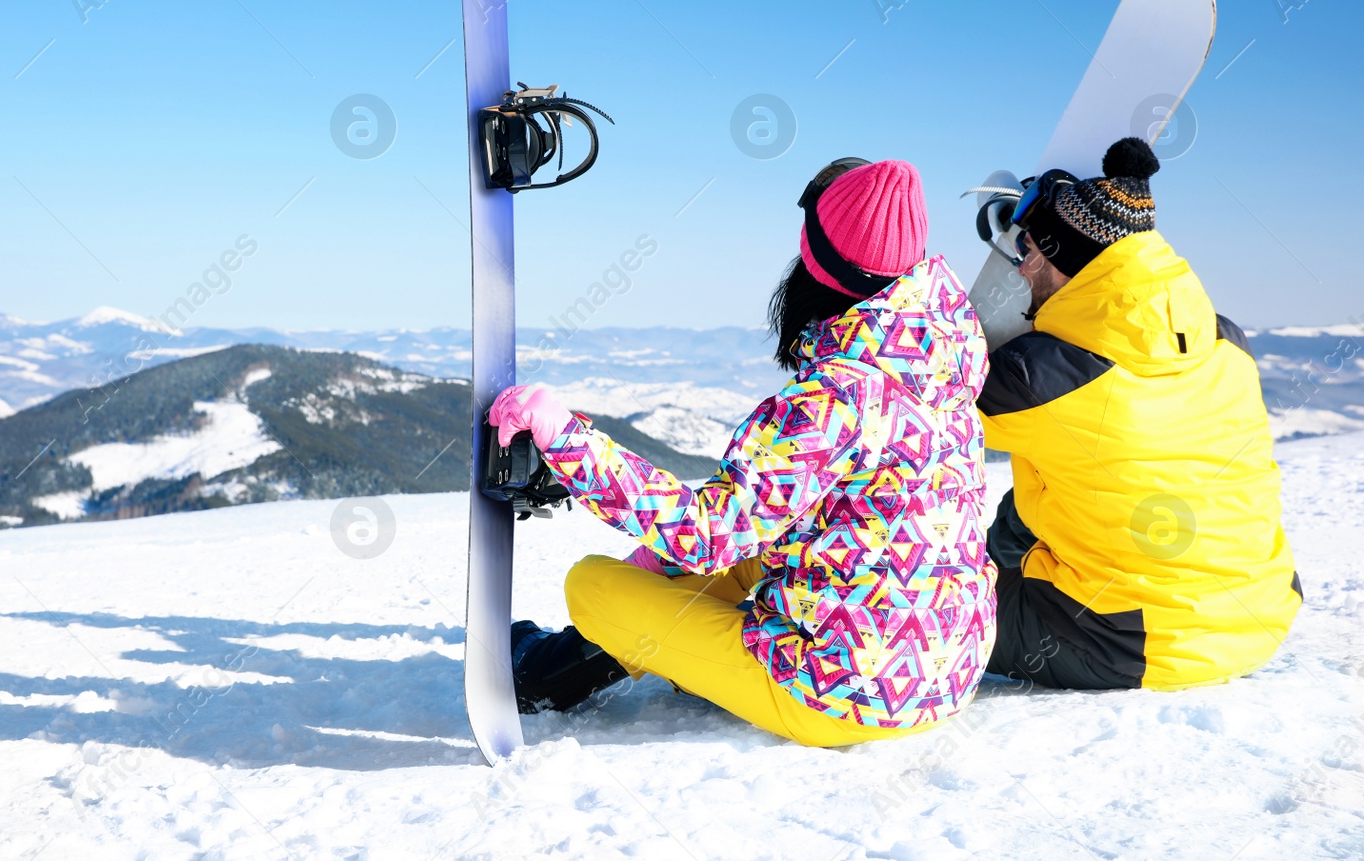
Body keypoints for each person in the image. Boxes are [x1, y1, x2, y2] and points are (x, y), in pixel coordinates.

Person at [489, 158, 996, 746]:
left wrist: (566, 440)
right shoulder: (942, 358)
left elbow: (706, 534)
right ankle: (602, 658)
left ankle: (550, 676)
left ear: (815, 263)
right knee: (742, 558)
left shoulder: (840, 393)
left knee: (595, 587)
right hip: (944, 671)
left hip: (844, 698)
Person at [979, 137, 1301, 689]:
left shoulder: (1038, 378)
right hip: (1261, 615)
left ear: (1063, 264)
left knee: (924, 617)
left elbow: (918, 408)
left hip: (1123, 640)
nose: (1021, 270)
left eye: (1029, 252)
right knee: (1052, 486)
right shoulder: (1226, 340)